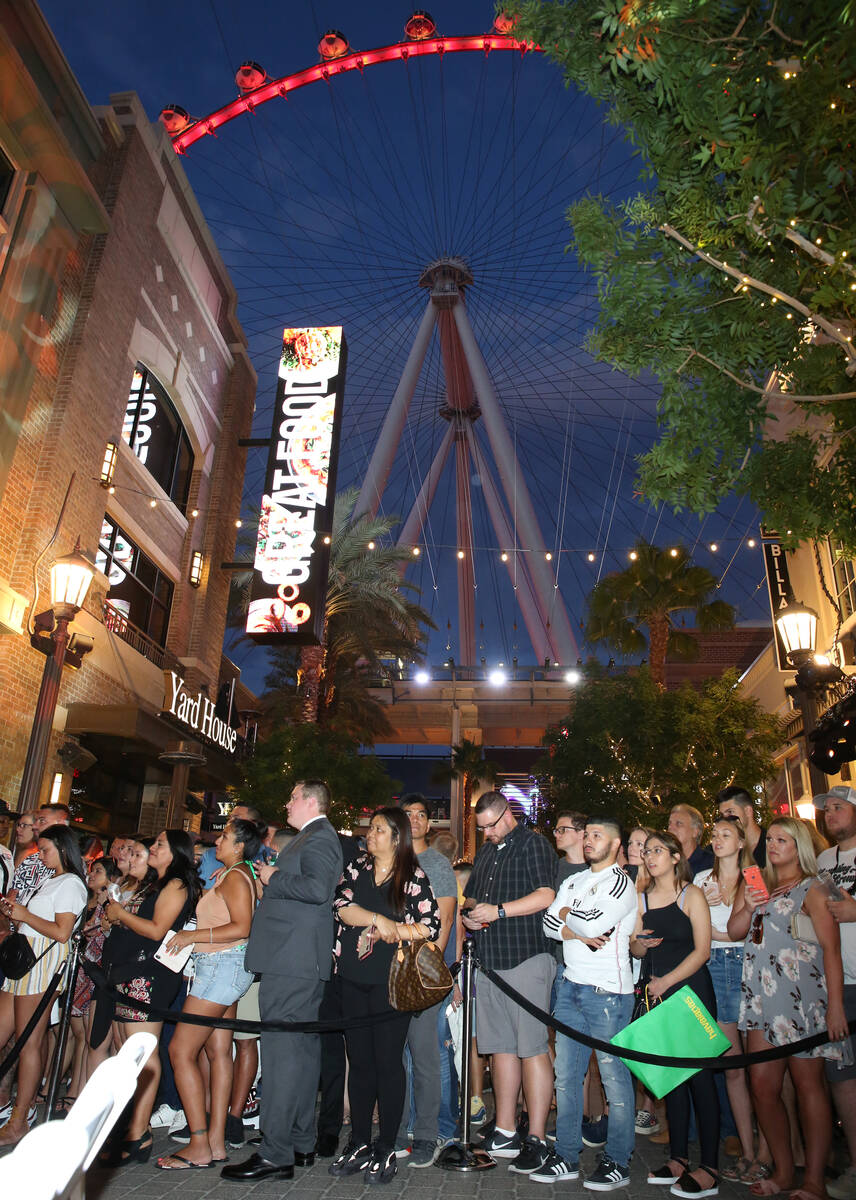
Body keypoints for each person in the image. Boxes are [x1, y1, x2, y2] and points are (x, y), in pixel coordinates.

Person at [222, 779, 343, 1183]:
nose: (287, 803)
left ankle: (275, 1153)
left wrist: (273, 878)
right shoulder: (313, 837)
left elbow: (317, 889)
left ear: (310, 802)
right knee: (301, 1055)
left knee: (283, 1056)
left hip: (292, 961)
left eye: (292, 797)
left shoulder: (320, 838)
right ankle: (298, 1143)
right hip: (293, 959)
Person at [730, 817, 847, 1200]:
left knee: (808, 1085)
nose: (774, 845)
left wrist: (836, 1009)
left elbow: (832, 951)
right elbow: (734, 931)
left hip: (803, 1002)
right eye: (772, 839)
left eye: (783, 839)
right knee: (762, 1086)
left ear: (800, 846)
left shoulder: (814, 888)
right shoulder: (756, 884)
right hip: (762, 1001)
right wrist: (747, 905)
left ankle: (813, 1179)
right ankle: (783, 1171)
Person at [328, 806, 439, 1185]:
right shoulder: (357, 867)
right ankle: (358, 1140)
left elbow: (430, 926)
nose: (369, 834)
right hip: (352, 978)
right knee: (358, 1063)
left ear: (396, 837)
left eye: (377, 829)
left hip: (392, 984)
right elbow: (342, 907)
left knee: (388, 1064)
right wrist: (384, 921)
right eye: (370, 829)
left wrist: (397, 930)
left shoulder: (413, 876)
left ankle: (386, 1145)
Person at [538, 818, 637, 1189]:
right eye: (588, 834)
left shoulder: (621, 884)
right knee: (566, 1076)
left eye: (598, 836)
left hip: (608, 992)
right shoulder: (573, 881)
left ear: (615, 844)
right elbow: (548, 923)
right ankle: (565, 1154)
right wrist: (568, 920)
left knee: (614, 1078)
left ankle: (619, 1159)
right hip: (570, 986)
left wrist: (567, 917)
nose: (589, 840)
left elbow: (594, 926)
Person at [157, 817, 261, 1169]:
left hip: (219, 969)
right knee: (219, 1052)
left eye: (226, 837)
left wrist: (192, 936)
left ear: (240, 846)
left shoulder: (236, 876)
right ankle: (215, 1141)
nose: (218, 841)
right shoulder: (240, 872)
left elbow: (241, 927)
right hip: (227, 968)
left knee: (180, 1049)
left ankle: (199, 1142)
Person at [462, 791, 556, 1174]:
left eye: (489, 826)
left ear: (506, 814)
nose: (485, 833)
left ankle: (536, 1136)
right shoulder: (487, 852)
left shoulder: (534, 844)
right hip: (489, 962)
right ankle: (504, 1129)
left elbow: (546, 895)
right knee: (499, 1046)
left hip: (527, 957)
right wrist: (473, 916)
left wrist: (499, 911)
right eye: (480, 827)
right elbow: (471, 901)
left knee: (531, 1047)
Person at [100, 829, 201, 1166]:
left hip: (150, 976)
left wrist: (120, 915)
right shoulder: (154, 883)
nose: (152, 849)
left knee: (143, 1053)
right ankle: (129, 1125)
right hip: (127, 972)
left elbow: (158, 930)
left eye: (159, 844)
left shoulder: (176, 885)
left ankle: (139, 1132)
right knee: (125, 1050)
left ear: (177, 852)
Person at [632, 830, 719, 1199]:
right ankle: (679, 1158)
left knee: (700, 1081)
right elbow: (635, 949)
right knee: (673, 1082)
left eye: (656, 851)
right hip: (658, 995)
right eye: (646, 851)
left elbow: (703, 951)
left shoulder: (691, 894)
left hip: (690, 993)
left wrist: (667, 981)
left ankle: (711, 1167)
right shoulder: (642, 897)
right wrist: (640, 944)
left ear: (674, 856)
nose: (649, 857)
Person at [0, 825, 88, 1143]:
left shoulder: (71, 884)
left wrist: (24, 913)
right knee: (14, 1038)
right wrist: (16, 915)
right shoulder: (52, 880)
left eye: (46, 849)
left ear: (63, 849)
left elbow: (62, 932)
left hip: (41, 967)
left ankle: (19, 1119)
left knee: (29, 1043)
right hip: (24, 963)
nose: (41, 854)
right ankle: (12, 1111)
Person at [694, 817, 769, 1183]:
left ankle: (765, 1152)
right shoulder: (700, 880)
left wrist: (712, 927)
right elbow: (691, 928)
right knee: (732, 1063)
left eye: (727, 835)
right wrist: (707, 918)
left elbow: (757, 925)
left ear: (741, 842)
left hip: (748, 963)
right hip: (711, 965)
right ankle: (748, 1147)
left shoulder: (753, 876)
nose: (719, 839)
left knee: (758, 1065)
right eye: (715, 834)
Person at [396, 795, 458, 1166]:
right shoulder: (389, 859)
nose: (416, 820)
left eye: (422, 815)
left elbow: (446, 918)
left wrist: (429, 966)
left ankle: (433, 1131)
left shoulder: (436, 862)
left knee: (429, 1052)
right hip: (391, 970)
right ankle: (404, 1126)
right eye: (409, 814)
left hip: (423, 970)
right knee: (401, 1054)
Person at [811, 786, 856, 1200]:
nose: (832, 814)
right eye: (827, 810)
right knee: (842, 1079)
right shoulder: (824, 861)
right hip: (836, 982)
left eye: (840, 808)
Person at [7, 803, 71, 907]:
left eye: (42, 821)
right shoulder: (29, 860)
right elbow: (10, 899)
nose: (35, 826)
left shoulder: (70, 866)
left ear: (61, 824)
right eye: (36, 821)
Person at [717, 787, 766, 867]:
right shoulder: (720, 850)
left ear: (748, 811)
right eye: (722, 815)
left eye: (730, 812)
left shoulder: (771, 846)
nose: (725, 820)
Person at [668, 805, 713, 874]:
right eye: (670, 824)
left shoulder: (711, 864)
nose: (671, 828)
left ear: (695, 832)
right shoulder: (667, 864)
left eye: (679, 824)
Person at [554, 811, 588, 886]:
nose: (556, 835)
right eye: (556, 831)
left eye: (562, 830)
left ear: (581, 833)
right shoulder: (553, 868)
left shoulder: (597, 869)